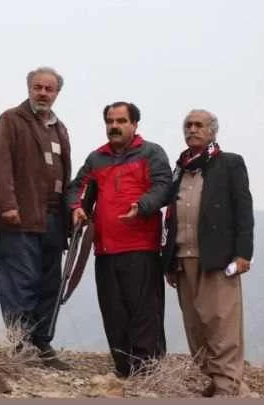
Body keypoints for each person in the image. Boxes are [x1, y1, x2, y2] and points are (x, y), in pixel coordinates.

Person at [69, 101, 172, 377]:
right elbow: (77, 188)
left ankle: (148, 372)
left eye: (121, 121)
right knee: (113, 313)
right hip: (104, 249)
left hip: (141, 248)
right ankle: (124, 370)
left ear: (134, 124)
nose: (114, 126)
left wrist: (142, 205)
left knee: (144, 313)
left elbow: (164, 187)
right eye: (110, 121)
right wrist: (76, 207)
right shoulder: (96, 158)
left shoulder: (151, 153)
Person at [162, 109, 253, 397]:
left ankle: (227, 385)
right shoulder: (180, 168)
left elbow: (243, 211)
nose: (192, 129)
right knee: (195, 326)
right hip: (182, 258)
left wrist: (243, 254)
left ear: (212, 131)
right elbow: (170, 216)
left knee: (221, 323)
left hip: (217, 259)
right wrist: (168, 261)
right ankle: (216, 378)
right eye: (188, 125)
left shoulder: (229, 163)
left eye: (199, 125)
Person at [0, 67, 71, 370]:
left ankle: (42, 342)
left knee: (49, 284)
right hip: (19, 218)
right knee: (19, 283)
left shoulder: (60, 128)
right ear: (29, 88)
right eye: (38, 87)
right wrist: (8, 205)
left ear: (57, 93)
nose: (43, 93)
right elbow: (0, 164)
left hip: (53, 219)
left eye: (49, 89)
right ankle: (19, 343)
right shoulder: (11, 120)